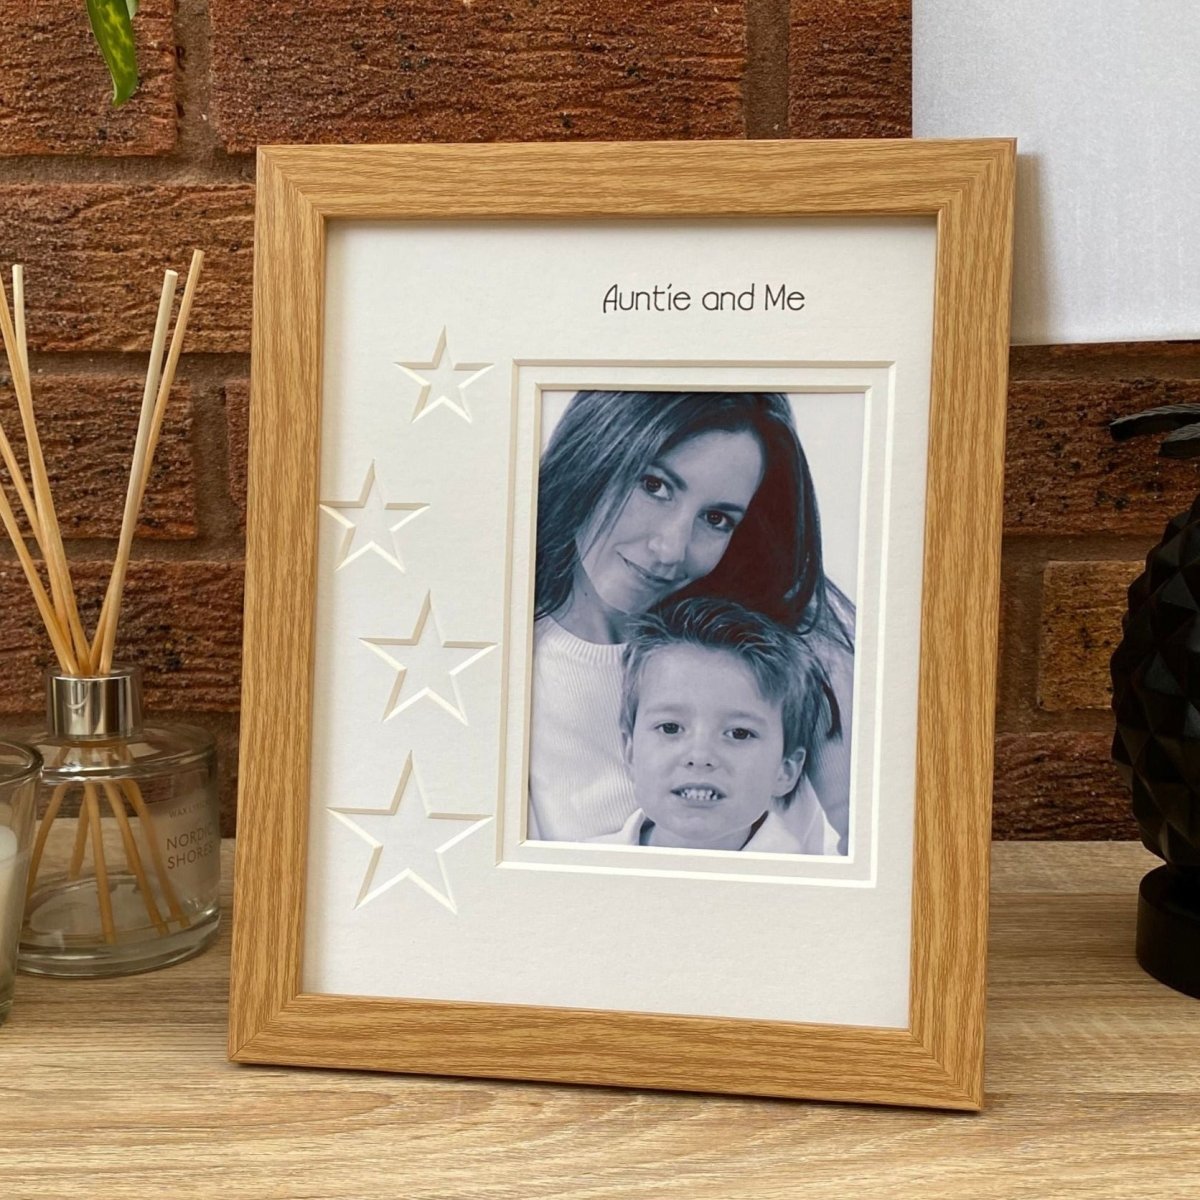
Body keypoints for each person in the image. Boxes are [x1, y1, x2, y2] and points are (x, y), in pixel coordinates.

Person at [529, 390, 854, 847]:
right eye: (655, 486)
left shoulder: (792, 642)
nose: (671, 549)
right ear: (594, 454)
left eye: (717, 518)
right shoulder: (499, 656)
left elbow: (891, 849)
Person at [589, 598, 838, 854]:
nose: (700, 757)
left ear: (786, 770)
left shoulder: (807, 883)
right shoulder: (581, 865)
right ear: (630, 752)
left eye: (738, 733)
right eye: (671, 728)